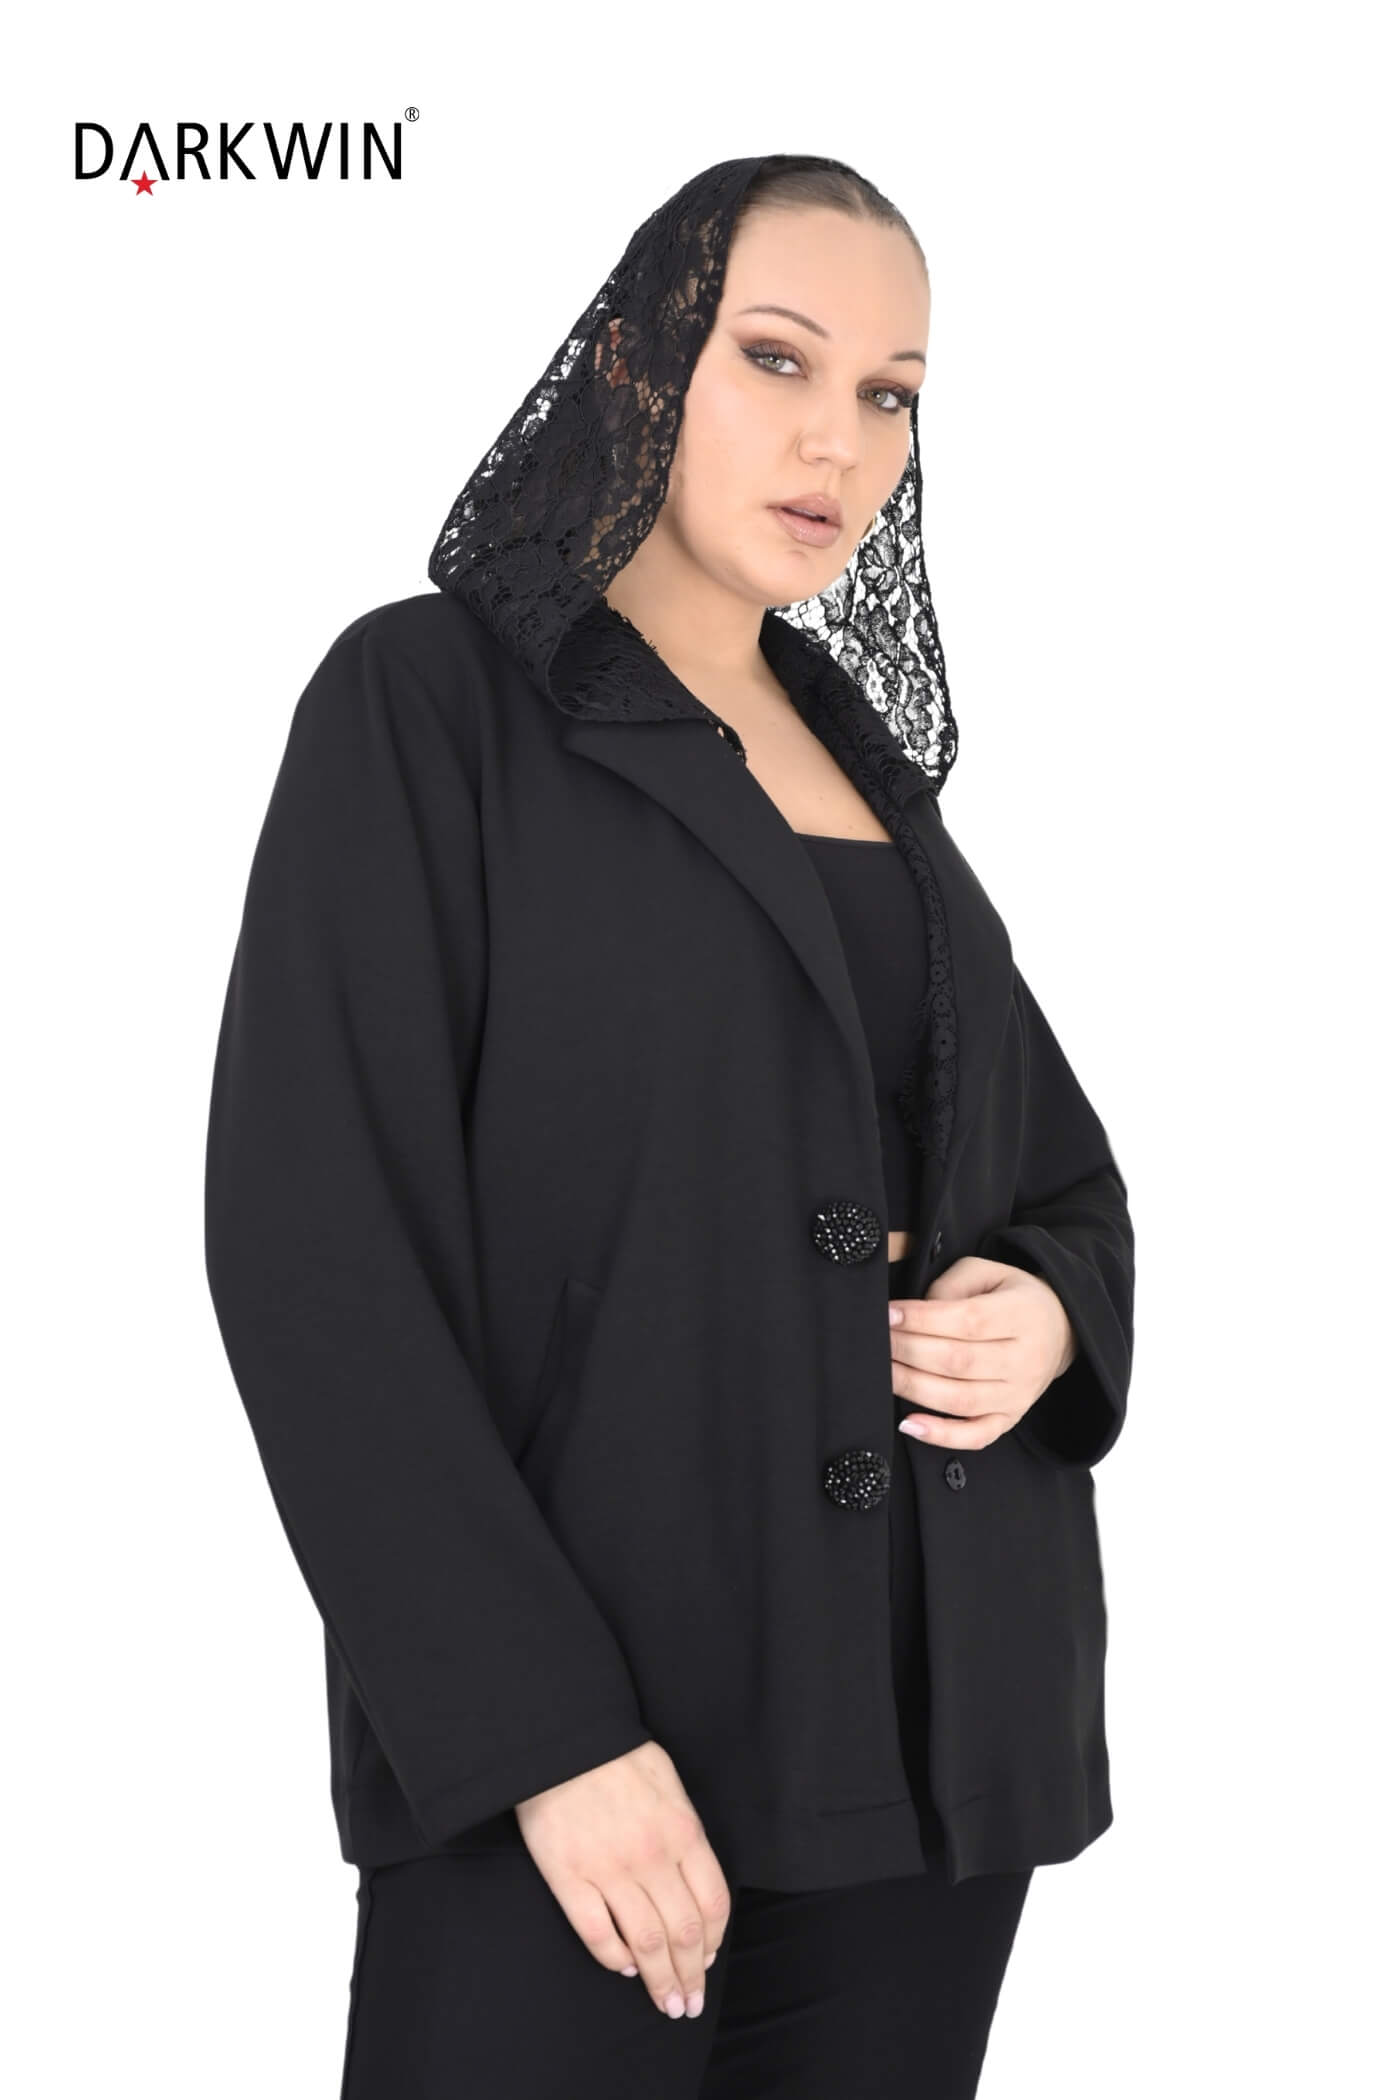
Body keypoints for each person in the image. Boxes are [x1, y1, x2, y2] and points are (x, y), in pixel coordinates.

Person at [204, 153, 1135, 2097]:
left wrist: (1048, 1310)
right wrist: (539, 1734)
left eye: (890, 393)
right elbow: (315, 1253)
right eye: (776, 359)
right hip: (595, 1740)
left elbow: (1055, 1174)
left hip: (932, 1748)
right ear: (636, 366)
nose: (837, 439)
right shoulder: (429, 703)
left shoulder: (880, 783)